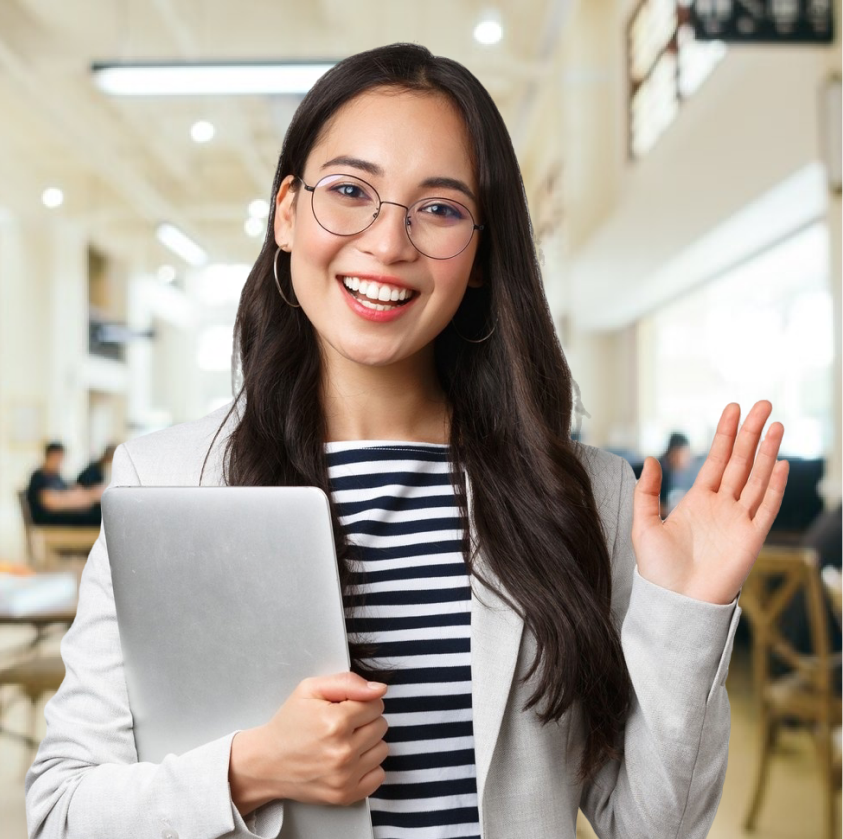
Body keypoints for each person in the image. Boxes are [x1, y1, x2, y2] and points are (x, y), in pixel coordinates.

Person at [26, 43, 789, 839]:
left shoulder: (582, 497)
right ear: (286, 213)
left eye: (440, 208)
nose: (388, 244)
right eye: (350, 191)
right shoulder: (167, 479)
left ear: (483, 254)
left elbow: (653, 829)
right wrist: (249, 768)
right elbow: (60, 813)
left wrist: (686, 614)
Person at [25, 442, 103, 527]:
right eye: (57, 458)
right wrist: (81, 501)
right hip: (50, 520)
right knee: (99, 516)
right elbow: (51, 503)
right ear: (49, 456)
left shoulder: (56, 476)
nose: (59, 462)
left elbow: (68, 490)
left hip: (60, 515)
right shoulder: (39, 476)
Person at [658, 431, 692, 518]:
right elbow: (654, 507)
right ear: (674, 453)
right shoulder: (658, 472)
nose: (689, 460)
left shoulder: (672, 472)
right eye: (685, 455)